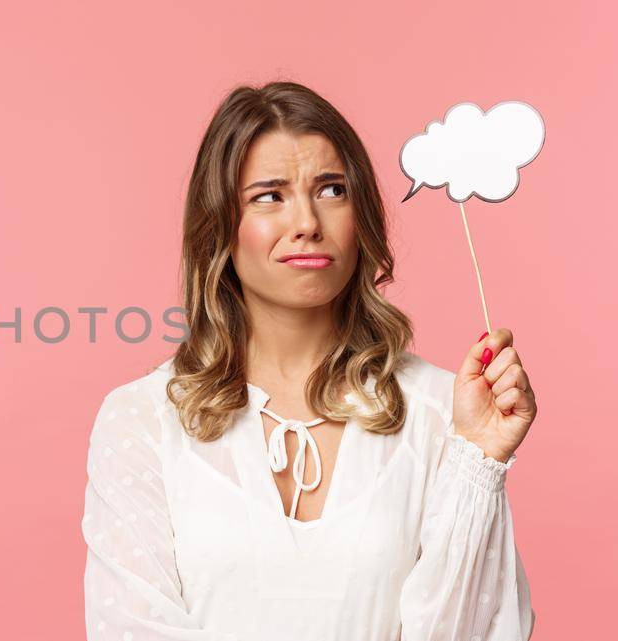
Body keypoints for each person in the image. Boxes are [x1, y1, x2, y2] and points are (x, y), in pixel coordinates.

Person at [80, 81, 536, 641]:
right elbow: (134, 627)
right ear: (220, 224)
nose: (307, 223)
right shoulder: (142, 419)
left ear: (361, 212)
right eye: (269, 196)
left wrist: (479, 459)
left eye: (331, 190)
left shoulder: (448, 413)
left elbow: (474, 632)